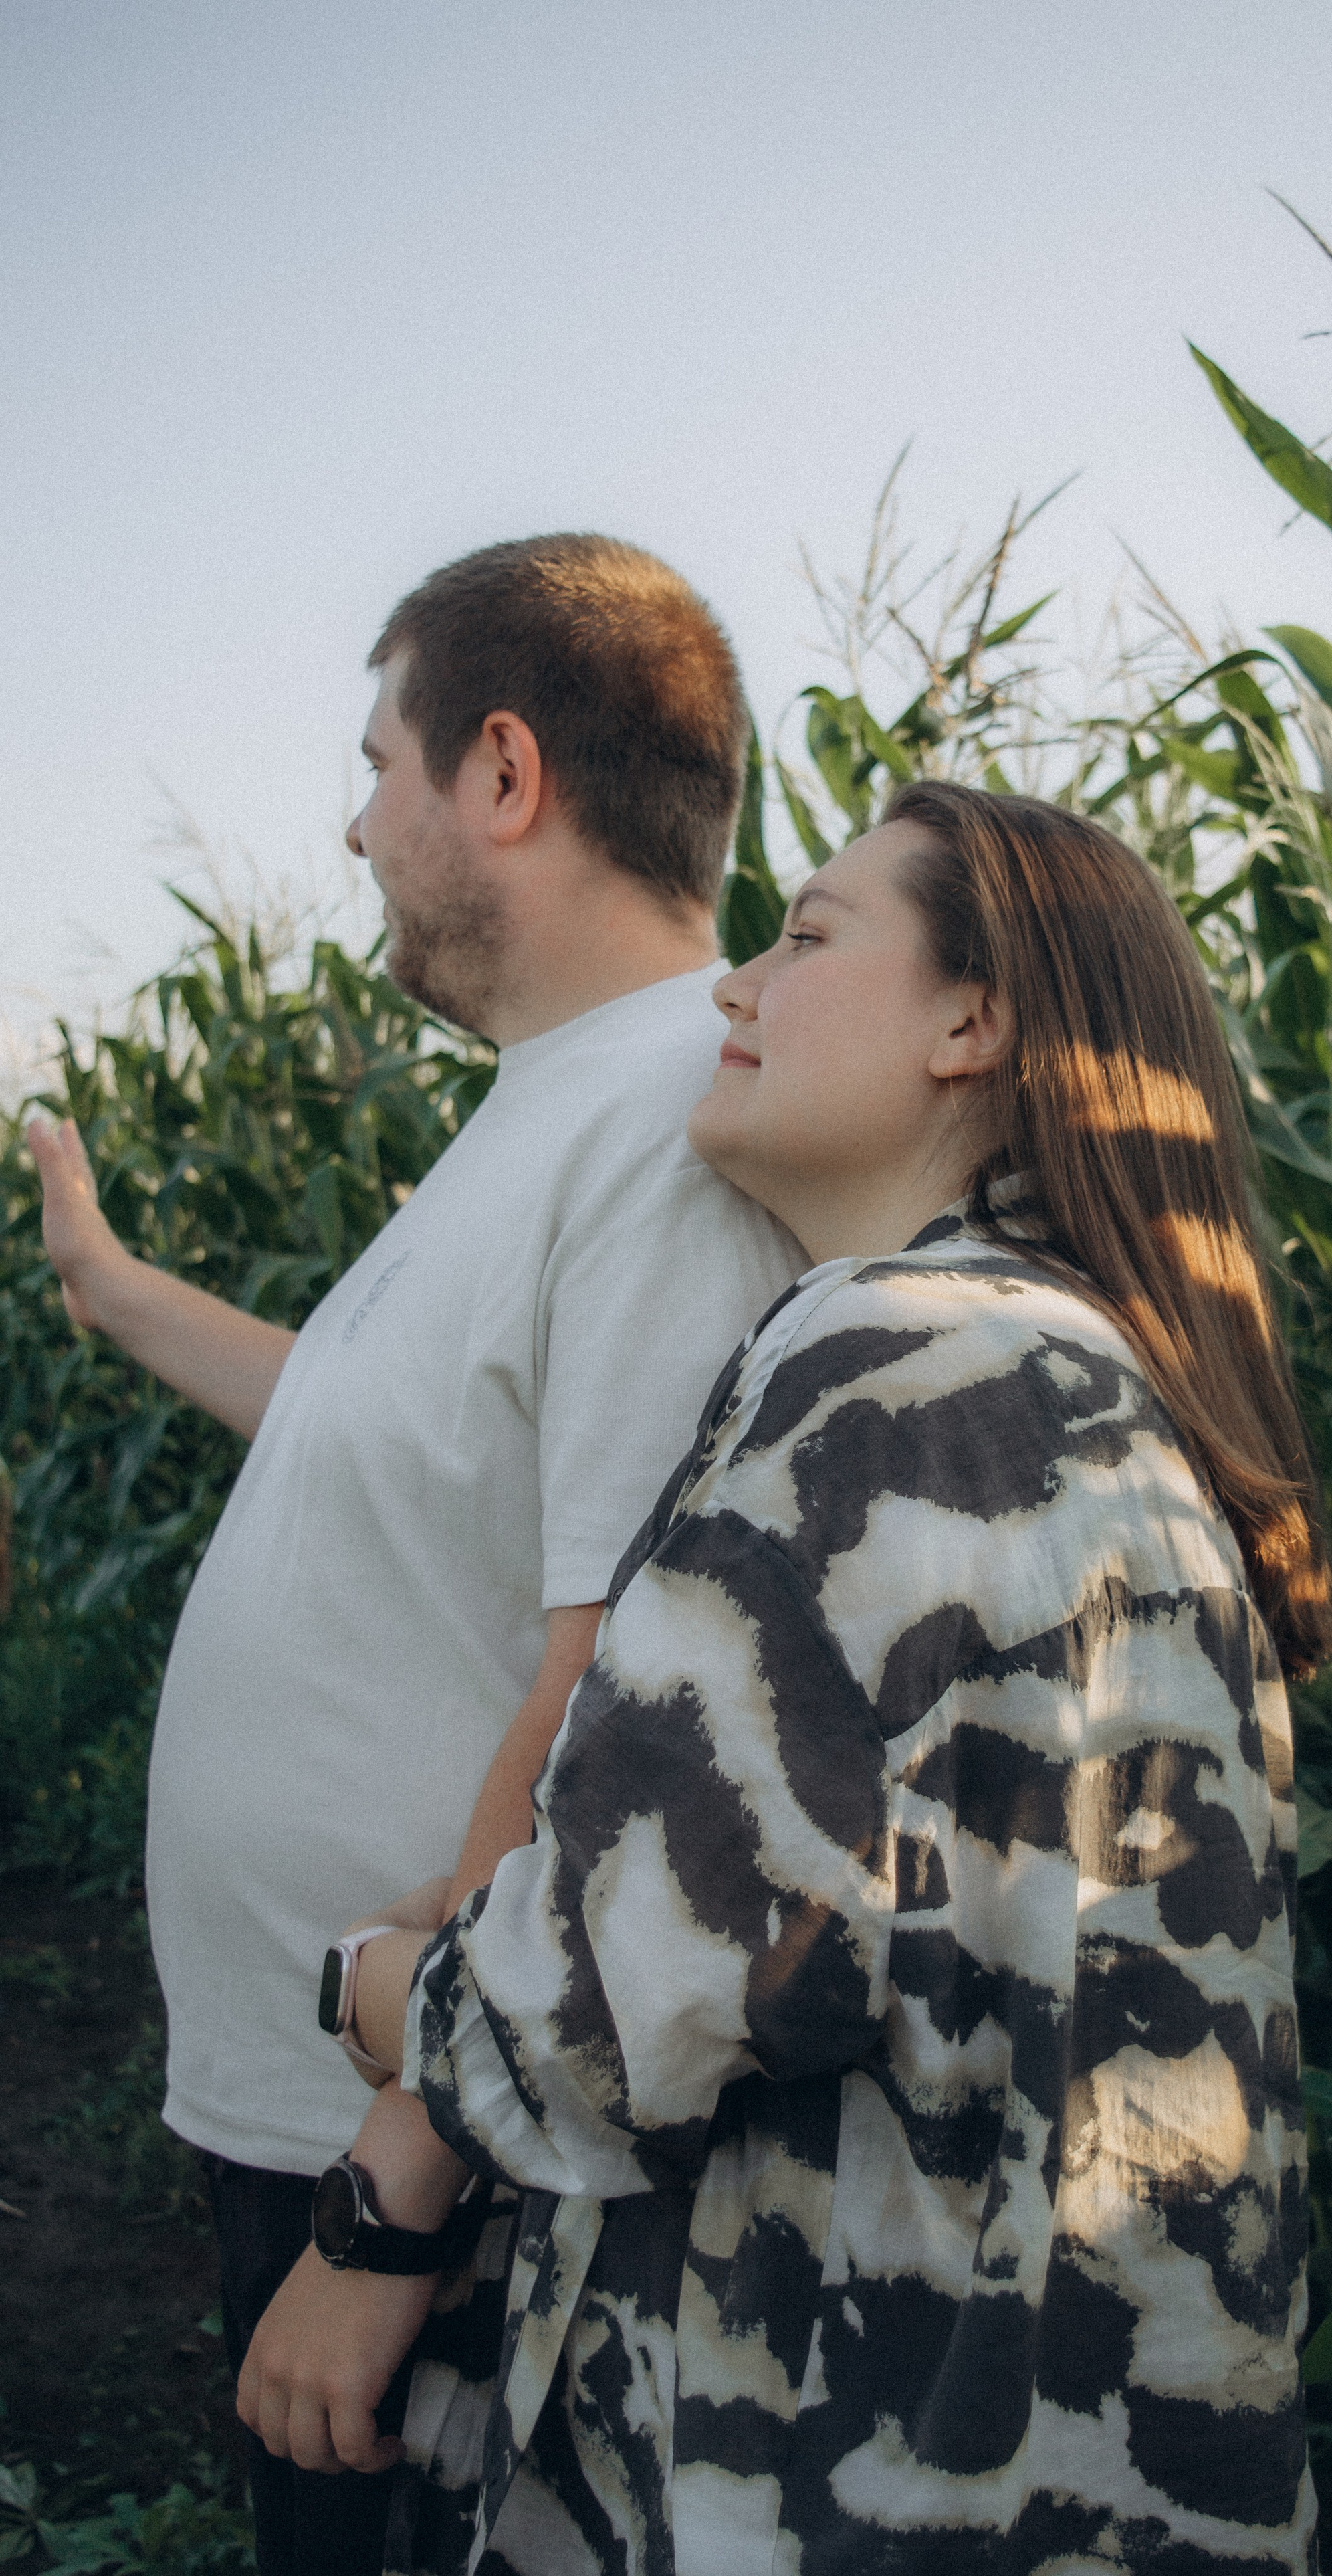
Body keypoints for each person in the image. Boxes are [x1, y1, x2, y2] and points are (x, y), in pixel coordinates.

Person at [338, 781, 1332, 2576]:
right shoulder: (1090, 1384)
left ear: (974, 1020)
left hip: (859, 2487)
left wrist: (390, 1984)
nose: (736, 986)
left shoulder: (895, 1364)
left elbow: (579, 2038)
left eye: (802, 935)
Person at [26, 534, 802, 2576]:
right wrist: (111, 1290)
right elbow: (390, 1437)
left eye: (377, 760)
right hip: (338, 2117)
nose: (355, 821)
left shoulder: (662, 1126)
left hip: (432, 2169)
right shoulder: (550, 1108)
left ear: (505, 775)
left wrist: (394, 2190)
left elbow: (611, 1685)